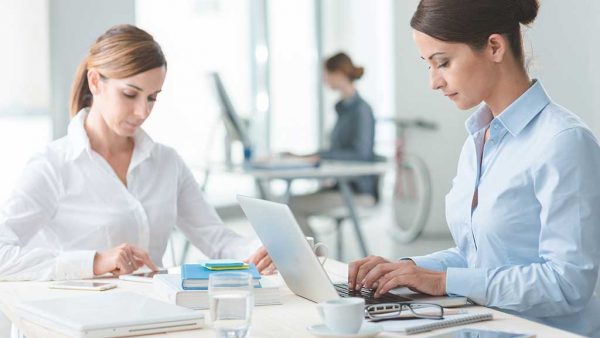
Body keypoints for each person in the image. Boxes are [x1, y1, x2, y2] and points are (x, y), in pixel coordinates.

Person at [347, 1, 600, 336]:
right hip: (482, 327)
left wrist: (442, 281)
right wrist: (407, 269)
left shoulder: (563, 142)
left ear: (495, 46)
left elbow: (567, 283)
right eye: (428, 66)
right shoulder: (478, 141)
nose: (434, 82)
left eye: (443, 63)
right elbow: (481, 256)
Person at [0, 24, 274, 281]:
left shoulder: (167, 163)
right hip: (80, 321)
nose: (143, 111)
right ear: (95, 82)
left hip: (155, 316)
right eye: (130, 94)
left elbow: (218, 239)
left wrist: (264, 251)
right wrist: (95, 262)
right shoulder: (53, 166)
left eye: (152, 97)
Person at [288, 52, 377, 239]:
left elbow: (361, 154)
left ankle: (314, 258)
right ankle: (313, 257)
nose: (324, 79)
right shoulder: (343, 109)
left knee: (291, 206)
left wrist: (322, 157)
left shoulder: (361, 110)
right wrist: (308, 156)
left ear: (338, 73)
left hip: (357, 192)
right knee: (289, 203)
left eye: (326, 74)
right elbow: (337, 151)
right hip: (340, 186)